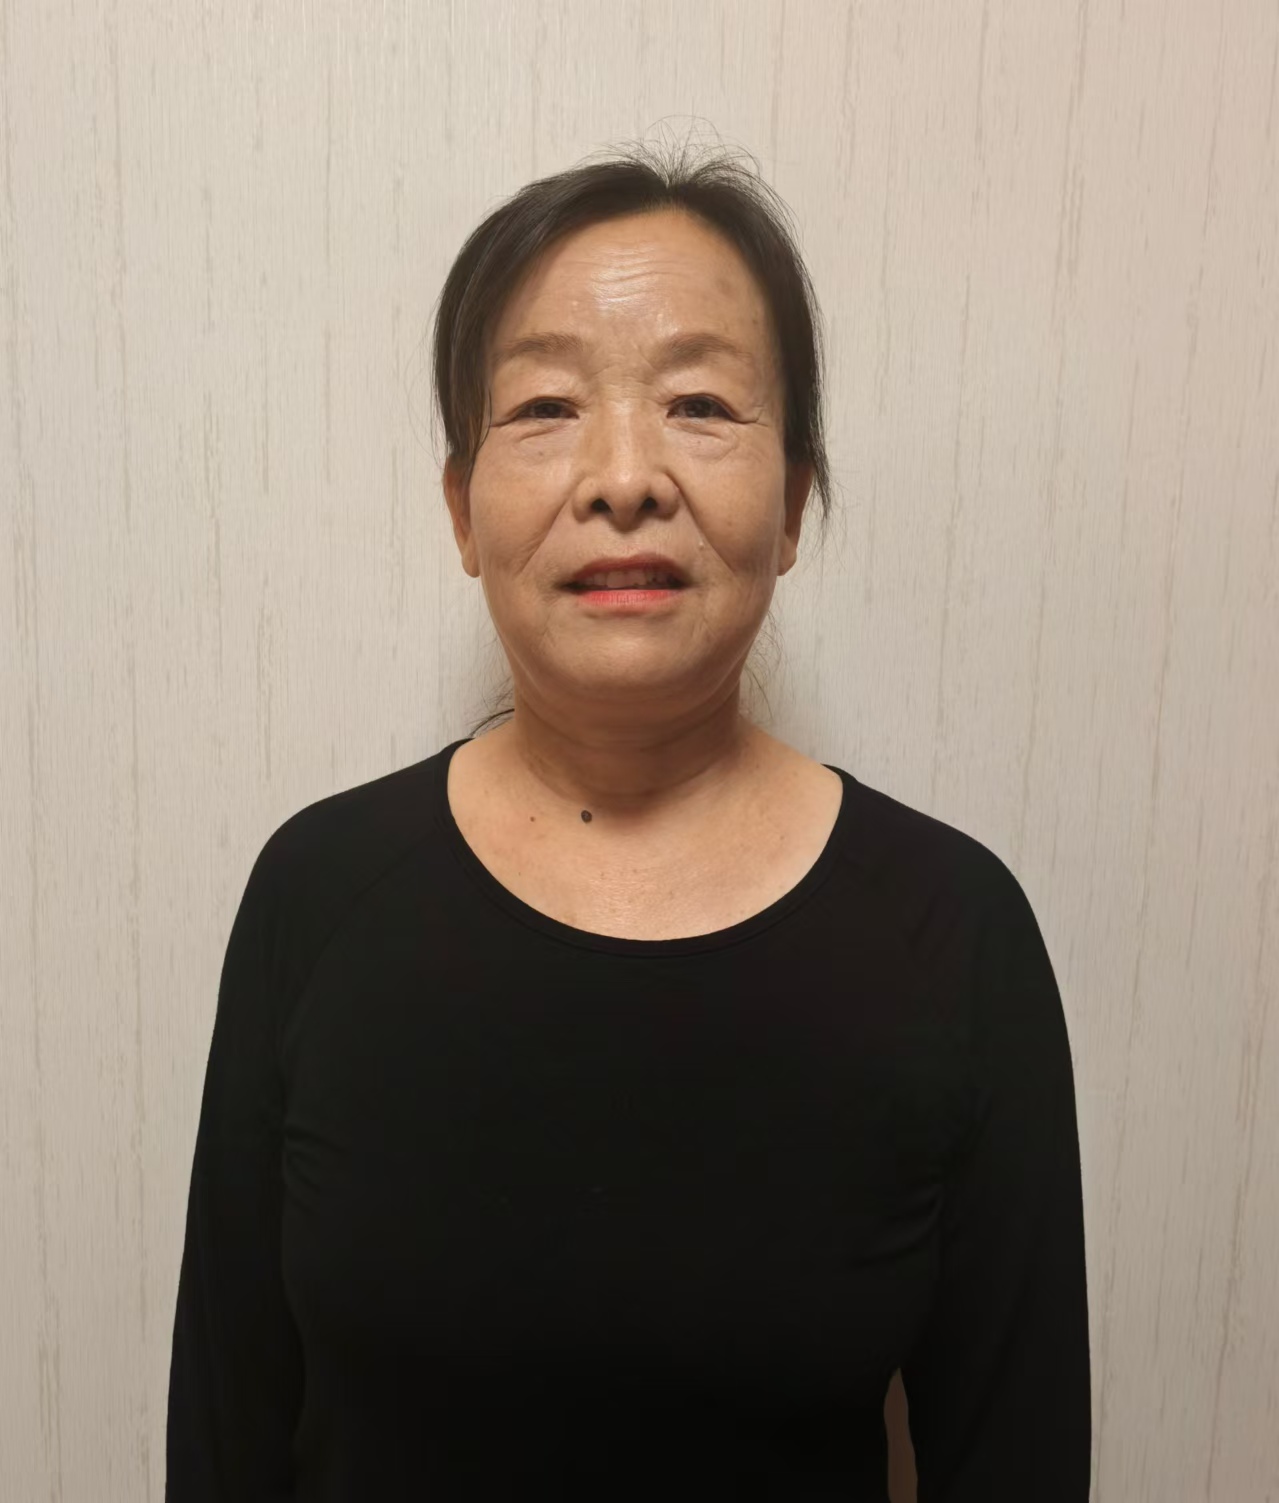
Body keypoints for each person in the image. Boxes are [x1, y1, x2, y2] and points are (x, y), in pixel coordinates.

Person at [166, 139, 1091, 1501]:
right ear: (462, 509)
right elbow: (224, 1431)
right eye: (545, 406)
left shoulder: (954, 935)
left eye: (700, 403)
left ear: (794, 503)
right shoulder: (318, 893)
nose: (623, 478)